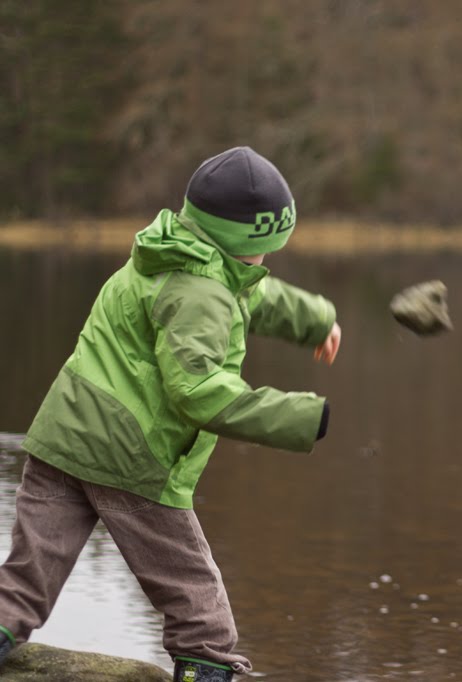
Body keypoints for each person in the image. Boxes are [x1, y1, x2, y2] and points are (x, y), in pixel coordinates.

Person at [0, 147, 341, 681]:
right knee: (192, 590)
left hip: (64, 437)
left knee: (28, 574)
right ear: (238, 243)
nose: (264, 262)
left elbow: (253, 295)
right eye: (263, 250)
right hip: (134, 455)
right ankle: (205, 666)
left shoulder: (171, 250)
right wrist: (299, 416)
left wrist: (316, 319)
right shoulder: (201, 294)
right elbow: (199, 392)